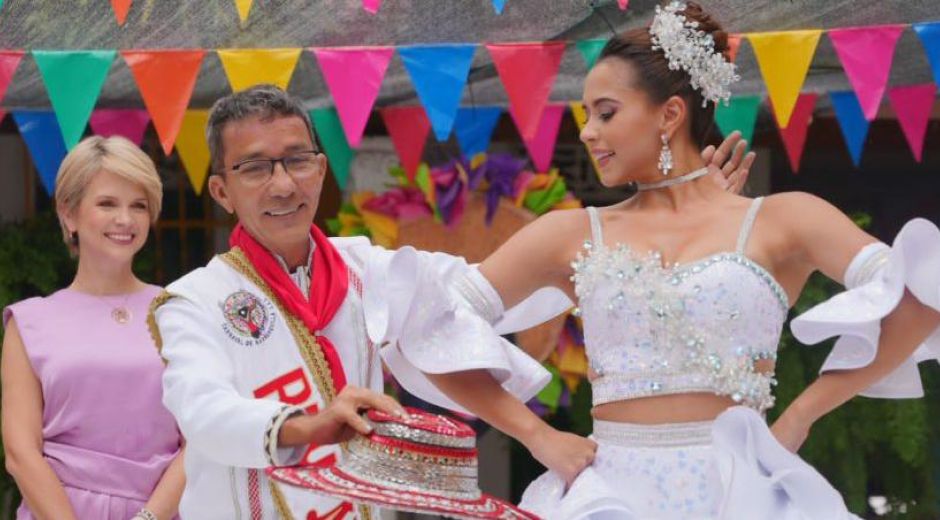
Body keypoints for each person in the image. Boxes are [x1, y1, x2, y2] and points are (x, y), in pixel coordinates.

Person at [405, 2, 940, 518]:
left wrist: (800, 417)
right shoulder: (570, 234)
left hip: (744, 494)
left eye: (605, 112)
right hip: (610, 496)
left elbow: (921, 298)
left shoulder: (782, 219)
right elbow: (426, 325)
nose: (587, 131)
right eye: (586, 114)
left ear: (671, 114)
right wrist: (537, 435)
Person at [149, 83, 753, 519]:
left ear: (320, 167)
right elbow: (200, 414)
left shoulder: (367, 267)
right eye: (255, 168)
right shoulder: (194, 300)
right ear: (222, 190)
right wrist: (312, 425)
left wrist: (681, 218)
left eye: (296, 160)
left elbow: (504, 290)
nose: (282, 184)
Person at [2, 136, 185, 520]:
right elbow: (20, 453)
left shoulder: (180, 310)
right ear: (69, 214)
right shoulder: (29, 322)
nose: (125, 219)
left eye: (139, 205)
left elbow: (200, 437)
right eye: (107, 203)